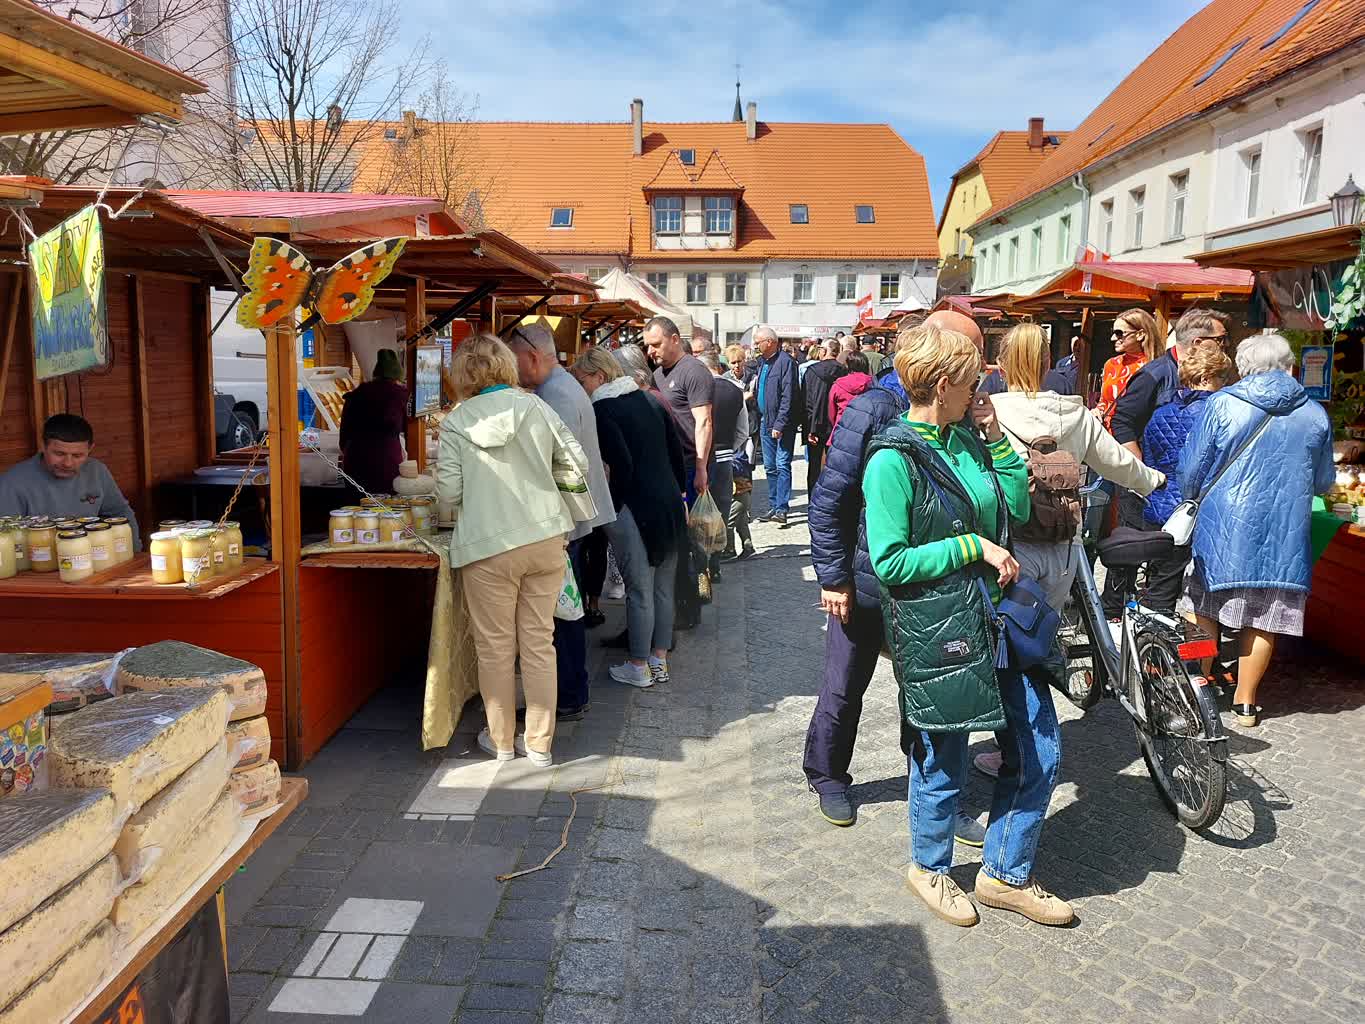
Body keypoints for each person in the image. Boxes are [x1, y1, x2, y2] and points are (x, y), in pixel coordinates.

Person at [864, 323, 1072, 929]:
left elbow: (1020, 508)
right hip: (940, 629)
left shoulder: (966, 438)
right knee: (944, 753)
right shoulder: (892, 459)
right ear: (944, 382)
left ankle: (1004, 872)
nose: (983, 384)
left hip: (998, 620)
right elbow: (890, 562)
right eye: (973, 377)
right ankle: (928, 867)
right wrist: (970, 547)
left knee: (1039, 747)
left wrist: (998, 444)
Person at [803, 309, 989, 842]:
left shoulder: (960, 420)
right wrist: (833, 577)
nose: (978, 374)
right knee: (843, 686)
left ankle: (932, 792)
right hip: (864, 583)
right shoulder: (871, 409)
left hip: (932, 589)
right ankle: (828, 775)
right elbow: (829, 500)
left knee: (930, 694)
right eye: (970, 361)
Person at [436, 335, 592, 768]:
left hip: (488, 546)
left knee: (495, 649)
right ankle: (540, 745)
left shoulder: (456, 421)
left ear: (462, 374)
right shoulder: (537, 407)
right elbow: (574, 463)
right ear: (506, 365)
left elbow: (448, 491)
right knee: (541, 644)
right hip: (545, 540)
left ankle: (502, 741)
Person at [1181, 333, 1333, 728]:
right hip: (1284, 528)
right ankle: (1246, 702)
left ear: (1243, 366)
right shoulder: (1315, 413)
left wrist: (1191, 496)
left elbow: (1192, 470)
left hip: (1223, 525)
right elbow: (1323, 481)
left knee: (1203, 607)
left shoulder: (1222, 404)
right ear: (1289, 366)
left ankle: (1196, 687)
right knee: (1267, 615)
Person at [990, 322, 1162, 612]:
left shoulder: (988, 414)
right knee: (1046, 627)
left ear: (1001, 367)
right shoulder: (1076, 414)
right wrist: (1153, 480)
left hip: (1008, 544)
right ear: (1047, 365)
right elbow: (1117, 462)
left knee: (1010, 633)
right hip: (1062, 539)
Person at [506, 324, 616, 721]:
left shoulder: (554, 395)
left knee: (561, 612)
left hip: (563, 522)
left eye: (514, 359)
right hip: (571, 519)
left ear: (532, 355)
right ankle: (569, 690)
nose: (512, 369)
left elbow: (557, 468)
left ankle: (568, 694)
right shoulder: (561, 387)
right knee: (564, 609)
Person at [570, 348, 686, 689]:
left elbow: (621, 465)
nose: (582, 387)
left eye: (583, 380)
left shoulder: (604, 409)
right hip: (667, 503)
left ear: (600, 377)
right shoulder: (649, 398)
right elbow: (676, 452)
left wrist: (613, 508)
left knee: (640, 590)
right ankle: (658, 660)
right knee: (663, 588)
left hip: (636, 509)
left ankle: (638, 665)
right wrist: (679, 495)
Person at [1104, 308, 1230, 618]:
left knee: (1160, 563)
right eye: (1222, 340)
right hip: (1148, 485)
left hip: (1166, 491)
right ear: (1200, 342)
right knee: (1132, 558)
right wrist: (1139, 474)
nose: (1226, 345)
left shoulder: (1184, 395)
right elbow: (1123, 420)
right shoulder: (1155, 373)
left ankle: (1143, 630)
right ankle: (1112, 617)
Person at [1138, 343, 1233, 614]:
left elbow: (1151, 462)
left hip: (1162, 513)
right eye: (1223, 377)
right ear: (1206, 378)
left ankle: (1153, 651)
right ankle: (1196, 654)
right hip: (1199, 515)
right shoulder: (1218, 415)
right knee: (1201, 599)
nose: (1227, 383)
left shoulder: (1159, 414)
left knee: (1160, 589)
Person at [645, 316, 714, 630]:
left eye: (656, 344)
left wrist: (700, 468)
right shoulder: (658, 374)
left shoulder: (694, 371)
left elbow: (704, 422)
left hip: (687, 467)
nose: (651, 350)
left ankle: (689, 608)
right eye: (648, 345)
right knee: (674, 541)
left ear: (674, 339)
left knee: (685, 542)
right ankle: (674, 606)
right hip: (668, 467)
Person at [0, 413, 140, 547]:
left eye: (77, 455)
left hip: (92, 558)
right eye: (59, 454)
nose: (68, 463)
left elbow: (121, 514)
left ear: (90, 449)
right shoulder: (12, 483)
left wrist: (135, 552)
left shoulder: (97, 470)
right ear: (43, 446)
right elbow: (6, 538)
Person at [701, 352, 748, 582]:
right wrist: (729, 448)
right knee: (720, 512)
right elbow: (743, 431)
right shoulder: (735, 390)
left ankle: (701, 567)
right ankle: (716, 564)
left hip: (698, 460)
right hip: (724, 459)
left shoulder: (695, 390)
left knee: (698, 514)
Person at [338, 348, 408, 496]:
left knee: (357, 512)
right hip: (387, 465)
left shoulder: (356, 395)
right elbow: (411, 432)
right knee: (386, 512)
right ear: (397, 377)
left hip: (355, 465)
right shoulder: (402, 395)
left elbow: (343, 439)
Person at [753, 326, 800, 527]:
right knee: (770, 467)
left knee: (782, 464)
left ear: (770, 342)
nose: (755, 346)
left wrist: (780, 422)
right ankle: (774, 505)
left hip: (782, 425)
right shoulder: (762, 363)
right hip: (765, 421)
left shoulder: (786, 363)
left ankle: (782, 508)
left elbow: (789, 396)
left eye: (758, 342)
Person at [1094, 308, 1161, 430]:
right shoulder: (1111, 364)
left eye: (1119, 333)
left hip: (1138, 437)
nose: (1113, 338)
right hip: (1107, 437)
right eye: (1113, 332)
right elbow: (1104, 401)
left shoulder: (1156, 367)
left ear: (1140, 334)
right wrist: (1096, 412)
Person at [801, 340, 845, 491]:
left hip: (816, 425)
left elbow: (806, 402)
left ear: (825, 351)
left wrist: (809, 429)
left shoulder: (812, 371)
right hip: (838, 425)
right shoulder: (844, 370)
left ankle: (813, 502)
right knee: (836, 467)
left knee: (814, 466)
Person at [826, 353, 874, 441]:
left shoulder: (838, 385)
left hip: (842, 430)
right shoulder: (874, 383)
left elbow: (831, 412)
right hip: (867, 430)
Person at [724, 446, 757, 562]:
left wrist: (726, 464)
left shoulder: (736, 452)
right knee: (741, 523)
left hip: (740, 494)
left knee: (727, 523)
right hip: (738, 494)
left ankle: (729, 550)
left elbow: (739, 465)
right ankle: (748, 547)